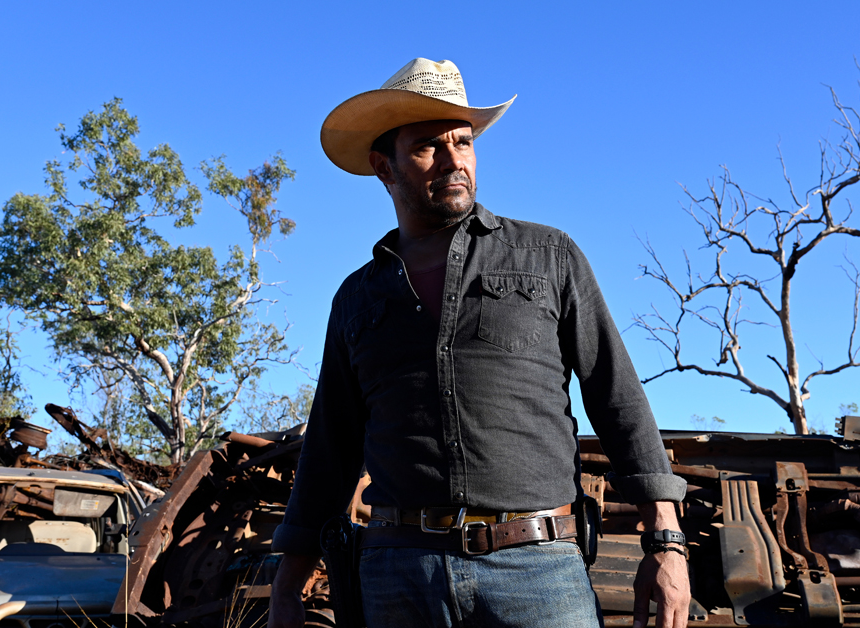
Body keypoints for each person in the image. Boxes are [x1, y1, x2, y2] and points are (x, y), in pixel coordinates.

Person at [269, 58, 691, 628]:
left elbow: (618, 399)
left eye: (463, 142)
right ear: (383, 166)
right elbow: (330, 445)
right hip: (398, 575)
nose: (454, 160)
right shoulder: (358, 298)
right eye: (427, 147)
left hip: (537, 570)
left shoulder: (548, 257)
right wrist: (288, 585)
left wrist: (666, 543)